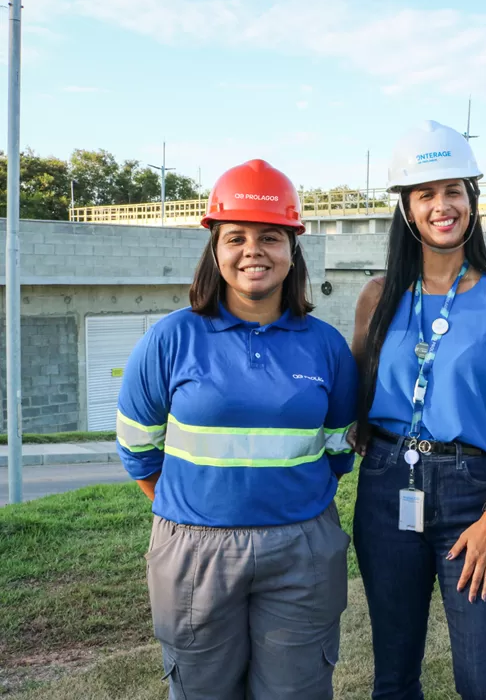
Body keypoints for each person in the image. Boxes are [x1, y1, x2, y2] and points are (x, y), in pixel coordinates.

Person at [116, 159, 358, 700]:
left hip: (301, 550)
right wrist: (195, 510)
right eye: (237, 237)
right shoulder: (170, 339)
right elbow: (138, 449)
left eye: (270, 237)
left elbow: (340, 450)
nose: (254, 251)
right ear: (215, 248)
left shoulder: (325, 345)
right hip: (194, 551)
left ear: (292, 248)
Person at [351, 120, 486, 700]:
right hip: (387, 486)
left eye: (454, 190)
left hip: (470, 495)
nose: (442, 205)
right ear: (407, 208)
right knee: (395, 675)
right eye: (426, 193)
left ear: (472, 201)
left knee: (483, 680)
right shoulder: (377, 297)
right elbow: (352, 399)